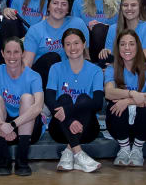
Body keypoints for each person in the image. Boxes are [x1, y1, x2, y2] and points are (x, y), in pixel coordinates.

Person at [45, 29, 106, 172]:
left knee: (84, 99)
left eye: (76, 43)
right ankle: (78, 154)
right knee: (64, 98)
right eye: (68, 44)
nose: (73, 48)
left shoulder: (95, 71)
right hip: (59, 129)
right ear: (63, 47)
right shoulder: (55, 68)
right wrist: (70, 119)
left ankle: (68, 152)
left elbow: (97, 103)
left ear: (84, 44)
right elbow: (49, 99)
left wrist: (68, 110)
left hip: (88, 130)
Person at [0, 38, 42, 176]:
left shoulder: (34, 76)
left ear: (22, 54)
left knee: (28, 98)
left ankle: (22, 160)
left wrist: (13, 125)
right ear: (2, 53)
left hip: (26, 128)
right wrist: (1, 124)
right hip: (1, 128)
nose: (12, 56)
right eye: (8, 52)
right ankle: (4, 160)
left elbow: (38, 106)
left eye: (16, 52)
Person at [104, 29, 146, 167]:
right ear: (117, 47)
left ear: (138, 47)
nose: (127, 48)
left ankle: (137, 149)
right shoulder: (111, 69)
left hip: (145, 129)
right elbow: (109, 93)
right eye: (123, 44)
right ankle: (124, 149)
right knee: (115, 105)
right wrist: (132, 94)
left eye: (131, 44)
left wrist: (127, 101)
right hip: (120, 127)